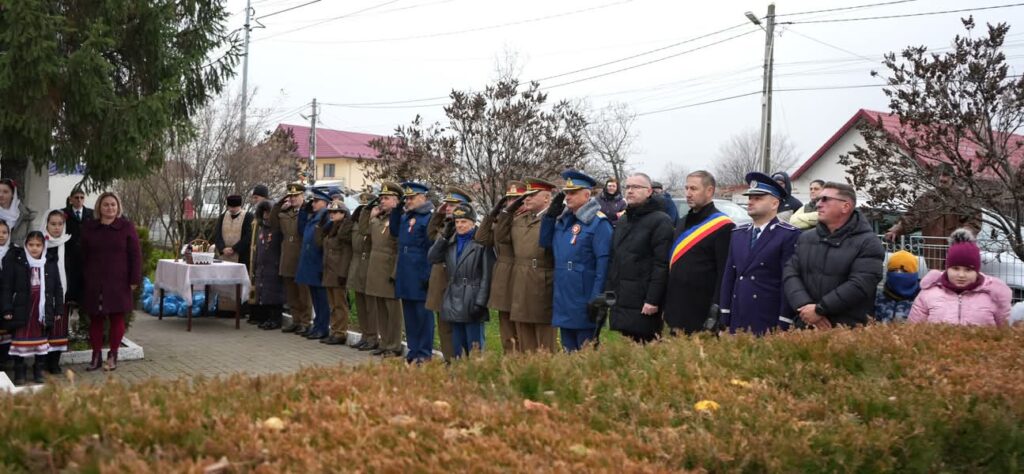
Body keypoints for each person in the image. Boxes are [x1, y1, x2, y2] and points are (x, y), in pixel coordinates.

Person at [784, 182, 884, 329]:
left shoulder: (868, 242)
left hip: (847, 331)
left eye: (825, 199)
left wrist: (819, 310)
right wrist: (805, 307)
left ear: (845, 207)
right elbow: (790, 273)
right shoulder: (806, 238)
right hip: (805, 326)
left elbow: (860, 284)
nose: (818, 204)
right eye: (818, 200)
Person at [718, 173, 801, 335]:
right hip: (738, 316)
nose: (750, 202)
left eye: (758, 198)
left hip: (767, 319)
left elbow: (788, 282)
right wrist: (725, 315)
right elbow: (729, 276)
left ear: (774, 203)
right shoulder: (738, 233)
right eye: (750, 198)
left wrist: (784, 321)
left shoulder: (788, 235)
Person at [539, 170, 613, 352]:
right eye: (566, 192)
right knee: (568, 351)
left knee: (586, 353)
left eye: (573, 192)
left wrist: (597, 299)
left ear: (587, 195)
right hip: (564, 295)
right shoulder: (564, 221)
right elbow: (545, 243)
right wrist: (549, 218)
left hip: (584, 297)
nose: (567, 197)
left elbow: (604, 264)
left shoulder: (598, 223)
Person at [663, 171, 735, 335]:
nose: (688, 193)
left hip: (702, 312)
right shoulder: (682, 222)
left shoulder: (723, 226)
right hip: (676, 308)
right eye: (686, 188)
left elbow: (724, 273)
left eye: (694, 189)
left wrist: (716, 309)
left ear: (709, 191)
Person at [604, 173, 674, 343]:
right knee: (626, 350)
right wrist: (610, 293)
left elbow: (661, 264)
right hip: (622, 299)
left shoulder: (660, 221)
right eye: (627, 187)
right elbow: (615, 259)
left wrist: (653, 300)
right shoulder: (624, 220)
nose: (630, 191)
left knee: (645, 350)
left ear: (649, 191)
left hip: (644, 302)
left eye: (636, 187)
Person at [79, 192, 141, 371]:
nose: (110, 208)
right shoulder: (89, 227)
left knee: (117, 318)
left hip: (118, 281)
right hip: (94, 281)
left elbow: (135, 255)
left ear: (118, 207)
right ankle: (96, 356)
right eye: (106, 204)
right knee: (95, 319)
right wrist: (84, 277)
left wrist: (134, 279)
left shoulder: (126, 227)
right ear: (99, 207)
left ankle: (113, 355)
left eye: (113, 204)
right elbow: (82, 254)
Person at [496, 177, 558, 352]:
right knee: (525, 344)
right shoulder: (520, 220)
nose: (527, 198)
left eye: (532, 195)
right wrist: (509, 210)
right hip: (520, 284)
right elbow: (501, 237)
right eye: (526, 195)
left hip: (542, 283)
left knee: (545, 345)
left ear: (546, 198)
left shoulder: (555, 219)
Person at [883, 164, 982, 271]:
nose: (941, 178)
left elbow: (974, 220)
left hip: (957, 250)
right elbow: (911, 216)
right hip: (933, 252)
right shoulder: (927, 198)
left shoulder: (963, 197)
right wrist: (896, 229)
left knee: (955, 278)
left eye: (945, 175)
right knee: (935, 278)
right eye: (939, 175)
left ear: (952, 177)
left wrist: (963, 235)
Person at [428, 203, 495, 357]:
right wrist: (443, 237)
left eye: (464, 222)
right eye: (457, 222)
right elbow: (432, 258)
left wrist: (481, 302)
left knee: (475, 347)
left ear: (473, 223)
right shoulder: (451, 241)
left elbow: (487, 275)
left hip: (472, 297)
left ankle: (476, 372)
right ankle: (460, 371)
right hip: (454, 297)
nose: (459, 225)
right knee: (457, 346)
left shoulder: (480, 243)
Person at [908, 229, 1011, 327]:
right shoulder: (928, 294)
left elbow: (1007, 332)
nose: (961, 275)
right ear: (947, 268)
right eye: (955, 268)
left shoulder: (994, 296)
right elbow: (913, 330)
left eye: (968, 270)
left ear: (976, 271)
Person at [2, 231, 63, 385]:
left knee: (41, 341)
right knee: (19, 340)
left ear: (44, 246)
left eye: (38, 245)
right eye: (31, 245)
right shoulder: (17, 261)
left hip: (41, 311)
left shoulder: (49, 262)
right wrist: (7, 309)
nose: (34, 248)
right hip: (22, 309)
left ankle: (38, 370)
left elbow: (57, 288)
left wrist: (58, 309)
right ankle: (19, 371)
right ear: (25, 245)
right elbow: (7, 287)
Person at [476, 181, 526, 353]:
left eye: (516, 199)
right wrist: (492, 215)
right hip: (503, 278)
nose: (512, 203)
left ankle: (523, 361)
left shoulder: (526, 220)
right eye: (509, 199)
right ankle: (509, 359)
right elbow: (481, 239)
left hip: (520, 275)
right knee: (506, 330)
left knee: (521, 328)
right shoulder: (502, 221)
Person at [426, 186, 474, 360]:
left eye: (452, 205)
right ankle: (448, 359)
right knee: (444, 326)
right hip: (440, 280)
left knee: (459, 326)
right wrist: (438, 214)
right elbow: (430, 234)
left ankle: (461, 359)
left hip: (456, 281)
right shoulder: (445, 225)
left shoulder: (465, 228)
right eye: (446, 204)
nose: (447, 207)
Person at [391, 182, 436, 363]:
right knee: (410, 316)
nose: (408, 201)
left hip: (420, 274)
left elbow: (431, 249)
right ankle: (413, 350)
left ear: (422, 197)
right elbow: (394, 231)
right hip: (405, 273)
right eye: (407, 198)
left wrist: (428, 275)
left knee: (423, 316)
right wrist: (396, 210)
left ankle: (424, 353)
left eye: (411, 198)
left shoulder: (428, 218)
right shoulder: (405, 217)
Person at [363, 182, 404, 358]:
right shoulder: (378, 218)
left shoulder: (399, 219)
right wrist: (369, 213)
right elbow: (364, 231)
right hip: (376, 269)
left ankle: (394, 345)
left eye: (386, 198)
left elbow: (399, 248)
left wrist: (395, 273)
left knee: (392, 311)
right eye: (381, 198)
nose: (382, 201)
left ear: (396, 201)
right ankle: (384, 342)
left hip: (388, 269)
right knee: (380, 308)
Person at [272, 183, 313, 335]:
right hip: (287, 256)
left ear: (302, 196)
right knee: (291, 293)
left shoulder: (307, 212)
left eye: (296, 196)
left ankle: (305, 322)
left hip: (301, 255)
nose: (293, 198)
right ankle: (296, 320)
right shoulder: (285, 212)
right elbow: (272, 222)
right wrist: (279, 204)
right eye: (291, 196)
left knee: (304, 293)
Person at [41, 209, 76, 374]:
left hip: (62, 295)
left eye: (60, 224)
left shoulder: (68, 244)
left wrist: (72, 294)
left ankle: (54, 362)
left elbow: (73, 270)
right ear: (46, 224)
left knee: (59, 328)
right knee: (42, 328)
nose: (57, 227)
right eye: (53, 224)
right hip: (42, 295)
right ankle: (41, 362)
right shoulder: (39, 243)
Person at [295, 189, 332, 340]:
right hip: (310, 263)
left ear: (325, 203)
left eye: (316, 201)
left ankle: (323, 327)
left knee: (322, 299)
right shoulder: (314, 217)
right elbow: (301, 230)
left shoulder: (326, 219)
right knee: (316, 298)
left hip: (319, 263)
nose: (313, 204)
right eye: (313, 201)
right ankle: (317, 326)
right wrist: (303, 211)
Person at [211, 194, 254, 316]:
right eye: (230, 207)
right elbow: (217, 234)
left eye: (234, 207)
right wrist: (222, 248)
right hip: (224, 255)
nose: (232, 209)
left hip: (240, 256)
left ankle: (240, 310)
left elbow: (248, 236)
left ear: (239, 206)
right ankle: (224, 309)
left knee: (238, 283)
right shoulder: (223, 216)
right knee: (224, 282)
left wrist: (235, 249)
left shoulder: (248, 216)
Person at [318, 200, 353, 345]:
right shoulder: (330, 228)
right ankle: (334, 330)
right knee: (332, 304)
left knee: (340, 304)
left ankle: (341, 332)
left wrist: (343, 273)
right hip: (329, 270)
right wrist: (321, 225)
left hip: (338, 271)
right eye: (330, 212)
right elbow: (319, 242)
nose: (332, 214)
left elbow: (346, 253)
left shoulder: (344, 229)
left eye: (335, 212)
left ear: (343, 213)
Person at [348, 192, 378, 351]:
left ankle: (373, 336)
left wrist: (372, 218)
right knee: (360, 305)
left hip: (370, 267)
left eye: (368, 207)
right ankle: (365, 335)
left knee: (371, 307)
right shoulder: (358, 223)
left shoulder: (376, 223)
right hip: (357, 266)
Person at [251, 200, 286, 330]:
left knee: (275, 294)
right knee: (265, 293)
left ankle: (276, 319)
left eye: (268, 212)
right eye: (264, 212)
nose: (266, 215)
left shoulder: (278, 228)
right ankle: (268, 318)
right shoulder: (262, 229)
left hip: (274, 264)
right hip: (263, 266)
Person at [62, 187, 92, 305]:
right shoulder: (63, 213)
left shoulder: (91, 214)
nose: (79, 200)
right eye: (76, 197)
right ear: (71, 199)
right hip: (69, 253)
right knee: (70, 278)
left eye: (81, 197)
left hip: (86, 253)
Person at [874, 250, 921, 323]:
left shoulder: (921, 300)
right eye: (894, 270)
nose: (898, 274)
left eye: (904, 271)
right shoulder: (878, 298)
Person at [0, 178, 36, 244]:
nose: (1, 195)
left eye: (5, 192)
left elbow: (32, 241)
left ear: (13, 194)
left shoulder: (25, 216)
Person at [0, 221, 12, 369]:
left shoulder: (14, 252)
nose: (1, 235)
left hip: (7, 297)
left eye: (4, 232)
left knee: (6, 328)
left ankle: (4, 361)